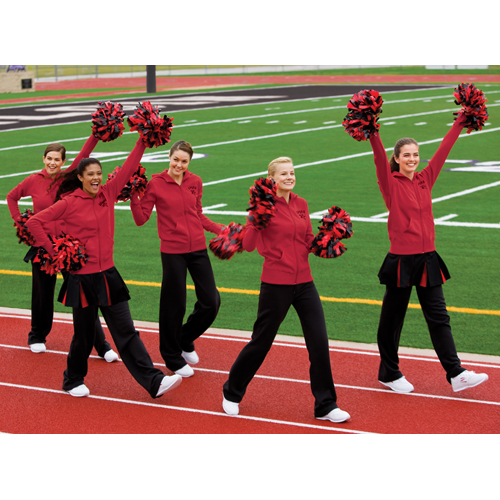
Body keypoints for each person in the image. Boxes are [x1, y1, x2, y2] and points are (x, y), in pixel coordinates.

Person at [26, 139, 182, 398]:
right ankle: (73, 380)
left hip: (108, 275)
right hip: (81, 278)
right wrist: (55, 253)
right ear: (80, 178)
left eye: (99, 173)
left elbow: (129, 167)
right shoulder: (68, 202)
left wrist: (143, 141)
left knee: (126, 331)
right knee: (84, 336)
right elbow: (34, 223)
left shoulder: (108, 193)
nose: (96, 178)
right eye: (91, 174)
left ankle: (154, 381)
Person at [222, 157, 350, 423]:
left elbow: (306, 239)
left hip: (304, 282)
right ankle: (232, 392)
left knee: (319, 342)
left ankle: (326, 405)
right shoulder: (262, 206)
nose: (289, 177)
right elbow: (249, 245)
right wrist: (257, 218)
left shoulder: (301, 204)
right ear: (272, 179)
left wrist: (328, 237)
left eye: (292, 172)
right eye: (283, 174)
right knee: (261, 342)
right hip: (276, 284)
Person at [369, 110, 488, 393]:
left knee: (439, 317)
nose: (412, 159)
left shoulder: (425, 179)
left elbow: (444, 150)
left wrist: (461, 120)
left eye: (415, 155)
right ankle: (389, 372)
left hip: (428, 257)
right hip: (402, 260)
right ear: (397, 158)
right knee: (392, 321)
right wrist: (372, 128)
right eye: (406, 155)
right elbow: (377, 157)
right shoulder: (389, 183)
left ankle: (456, 373)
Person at [7, 137, 117, 362]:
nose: (52, 163)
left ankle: (101, 345)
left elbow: (85, 153)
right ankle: (37, 336)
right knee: (42, 294)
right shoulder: (32, 180)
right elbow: (12, 197)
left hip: (68, 248)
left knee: (84, 296)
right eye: (49, 158)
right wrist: (20, 222)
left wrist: (95, 135)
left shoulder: (68, 180)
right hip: (43, 246)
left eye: (57, 159)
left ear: (64, 162)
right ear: (43, 159)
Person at [130, 140, 224, 378]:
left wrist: (220, 229)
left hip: (198, 248)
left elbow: (198, 214)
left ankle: (184, 337)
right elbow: (141, 219)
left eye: (184, 161)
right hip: (172, 251)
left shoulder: (195, 181)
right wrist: (133, 196)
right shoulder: (155, 183)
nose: (179, 165)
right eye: (176, 160)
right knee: (175, 304)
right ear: (169, 157)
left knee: (211, 301)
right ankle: (171, 355)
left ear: (189, 162)